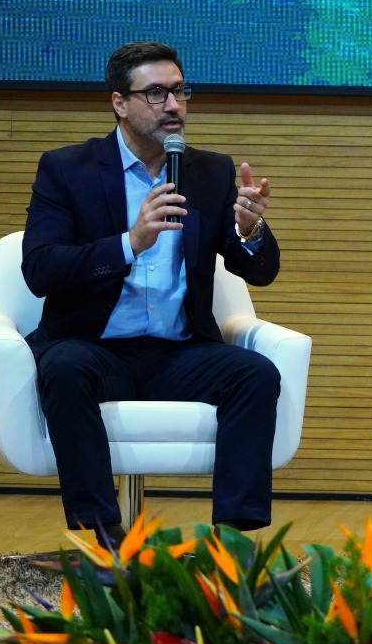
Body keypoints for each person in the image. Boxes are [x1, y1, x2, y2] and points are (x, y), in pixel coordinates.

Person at [21, 41, 281, 540]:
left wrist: (250, 230)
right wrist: (130, 243)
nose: (174, 105)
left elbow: (260, 272)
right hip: (93, 347)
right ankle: (105, 539)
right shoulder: (67, 169)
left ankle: (231, 542)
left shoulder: (209, 171)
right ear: (119, 102)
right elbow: (40, 269)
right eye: (157, 93)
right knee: (64, 368)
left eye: (180, 91)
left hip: (180, 352)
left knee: (255, 374)